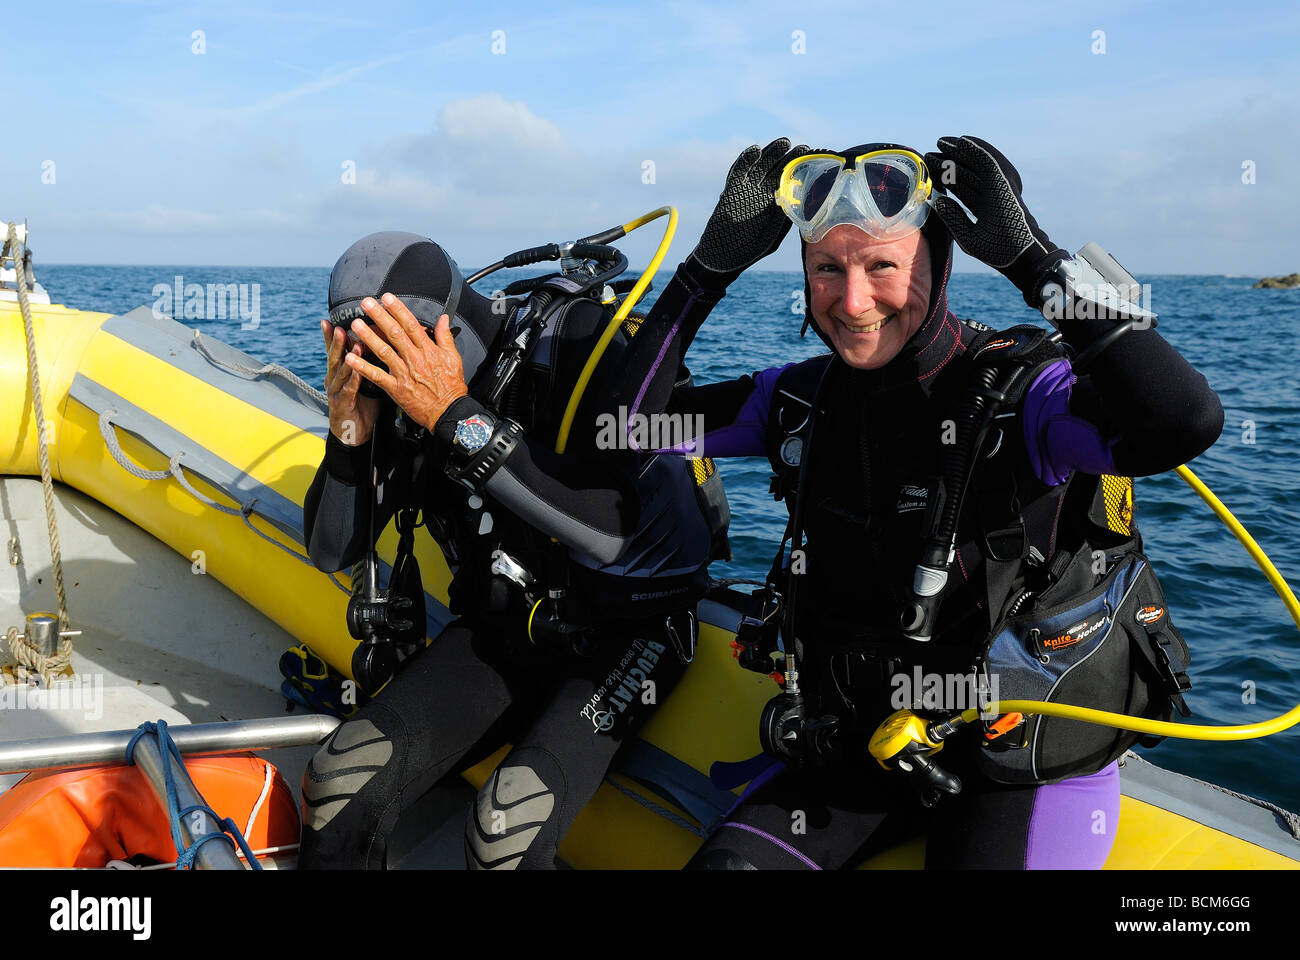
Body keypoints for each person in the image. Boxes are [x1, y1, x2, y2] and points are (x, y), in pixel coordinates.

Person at [613, 136, 1222, 869]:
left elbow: (1182, 420)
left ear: (937, 268)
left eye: (882, 266)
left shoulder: (1024, 399)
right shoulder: (796, 401)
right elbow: (621, 428)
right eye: (826, 270)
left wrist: (1034, 260)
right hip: (861, 746)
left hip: (1015, 760)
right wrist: (708, 271)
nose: (853, 300)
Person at [297, 231, 728, 869]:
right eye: (358, 345)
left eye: (396, 339)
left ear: (440, 327)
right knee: (337, 781)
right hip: (505, 628)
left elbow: (616, 535)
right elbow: (334, 550)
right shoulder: (394, 390)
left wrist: (455, 415)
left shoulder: (581, 347)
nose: (385, 363)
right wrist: (348, 431)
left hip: (626, 632)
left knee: (505, 824)